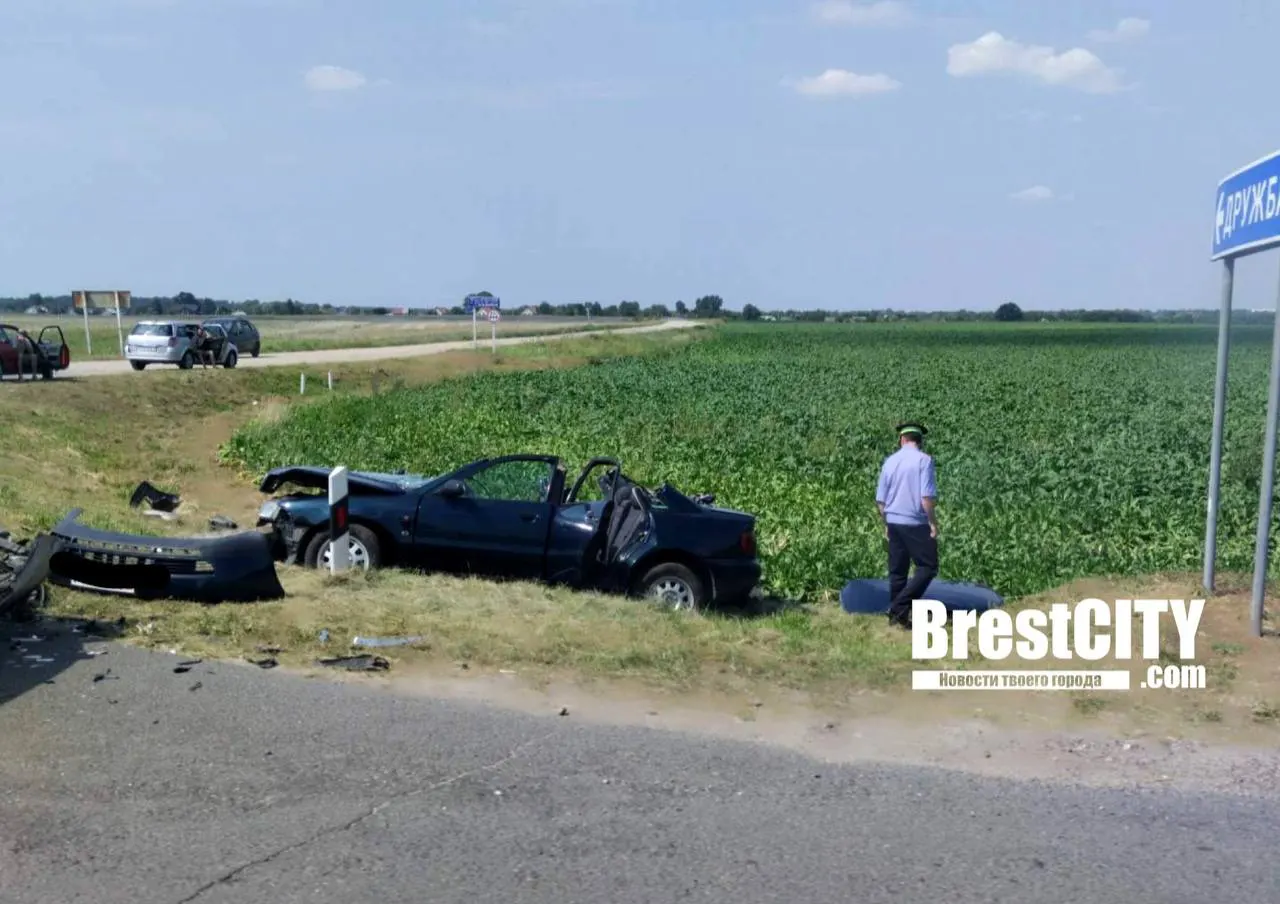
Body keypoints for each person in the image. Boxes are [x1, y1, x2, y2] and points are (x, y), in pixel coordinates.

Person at [874, 421, 938, 630]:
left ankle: (898, 618)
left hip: (893, 520)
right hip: (915, 521)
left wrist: (886, 522)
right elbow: (926, 497)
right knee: (928, 566)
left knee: (898, 570)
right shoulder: (924, 461)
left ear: (902, 439)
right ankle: (900, 606)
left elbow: (880, 501)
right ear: (920, 441)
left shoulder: (890, 461)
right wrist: (932, 521)